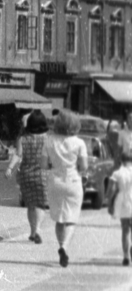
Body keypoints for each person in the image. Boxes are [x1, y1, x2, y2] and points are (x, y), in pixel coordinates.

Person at [44, 108, 87, 268]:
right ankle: (63, 247)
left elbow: (43, 164)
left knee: (59, 219)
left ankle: (61, 244)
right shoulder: (79, 143)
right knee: (71, 219)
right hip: (73, 181)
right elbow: (83, 167)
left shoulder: (49, 140)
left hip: (55, 182)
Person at [13, 109, 50, 244]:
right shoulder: (47, 139)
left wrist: (11, 169)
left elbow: (18, 155)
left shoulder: (22, 139)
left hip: (26, 175)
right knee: (40, 205)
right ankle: (38, 230)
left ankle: (32, 232)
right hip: (42, 175)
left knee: (30, 205)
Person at [105, 143, 132, 266]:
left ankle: (126, 256)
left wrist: (109, 203)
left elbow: (111, 189)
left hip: (123, 201)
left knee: (125, 230)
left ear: (121, 160)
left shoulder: (117, 173)